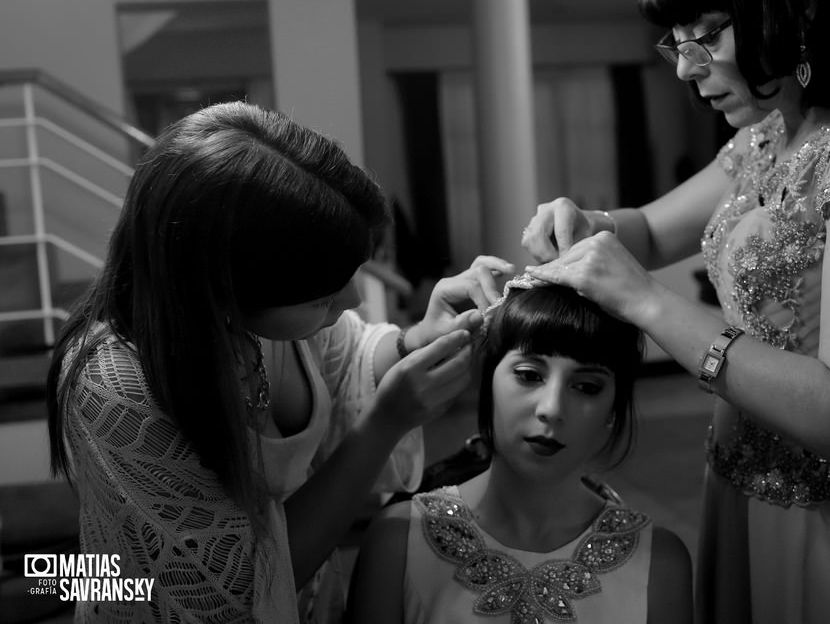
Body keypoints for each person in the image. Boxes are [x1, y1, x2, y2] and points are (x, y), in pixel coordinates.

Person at [519, 0, 830, 622]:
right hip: (740, 486)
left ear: (802, 3)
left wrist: (647, 301)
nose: (684, 66)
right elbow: (647, 226)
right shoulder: (765, 134)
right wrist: (589, 223)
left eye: (708, 34)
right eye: (678, 40)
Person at [46, 101, 514, 622]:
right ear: (223, 290)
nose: (354, 300)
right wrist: (386, 422)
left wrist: (418, 340)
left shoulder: (264, 317)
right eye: (323, 297)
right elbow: (244, 588)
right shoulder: (115, 385)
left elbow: (348, 354)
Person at [344, 278, 693, 624]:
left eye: (586, 386)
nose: (551, 408)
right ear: (488, 381)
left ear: (613, 411)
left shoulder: (659, 562)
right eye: (529, 375)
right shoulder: (398, 541)